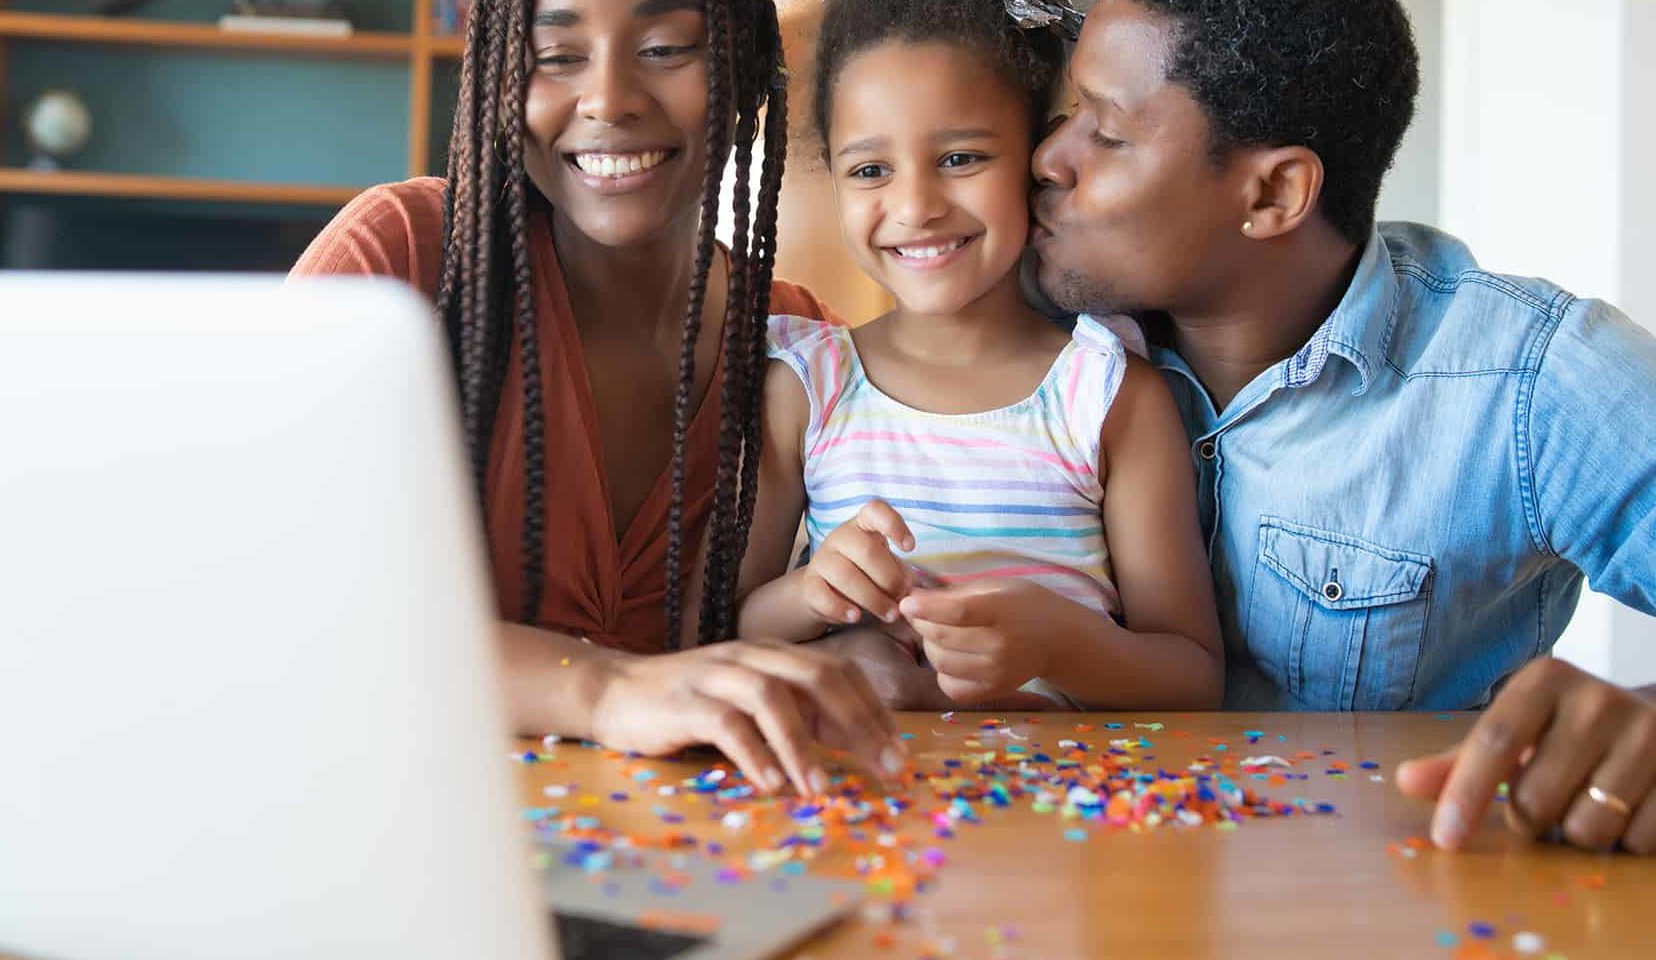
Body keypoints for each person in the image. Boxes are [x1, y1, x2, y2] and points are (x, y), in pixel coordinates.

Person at [1027, 0, 1656, 853]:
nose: (1047, 158)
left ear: (1275, 192)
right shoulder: (1027, 339)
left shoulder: (1522, 377)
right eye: (1071, 113)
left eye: (1106, 132)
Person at [291, 0, 905, 796]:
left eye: (664, 47)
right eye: (556, 54)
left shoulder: (802, 351)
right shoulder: (405, 260)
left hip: (699, 864)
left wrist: (839, 650)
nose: (609, 99)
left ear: (751, 74)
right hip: (396, 837)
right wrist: (603, 688)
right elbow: (270, 611)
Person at [733, 0, 1222, 713]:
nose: (917, 205)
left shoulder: (1110, 395)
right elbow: (723, 632)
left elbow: (1193, 677)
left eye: (960, 159)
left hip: (1072, 814)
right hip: (864, 811)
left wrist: (1060, 645)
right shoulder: (808, 388)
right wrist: (809, 596)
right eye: (870, 170)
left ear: (1036, 159)